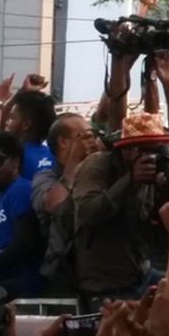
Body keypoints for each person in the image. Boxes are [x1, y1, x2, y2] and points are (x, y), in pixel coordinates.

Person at [73, 112, 169, 312]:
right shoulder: (97, 165)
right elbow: (87, 214)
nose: (152, 158)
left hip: (140, 273)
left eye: (157, 151)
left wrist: (166, 191)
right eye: (146, 151)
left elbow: (162, 229)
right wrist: (130, 180)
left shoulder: (151, 171)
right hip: (105, 283)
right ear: (127, 150)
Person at [31, 113, 101, 295]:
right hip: (64, 276)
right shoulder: (45, 177)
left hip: (101, 272)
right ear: (63, 142)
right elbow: (53, 203)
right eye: (86, 136)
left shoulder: (98, 170)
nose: (92, 140)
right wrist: (74, 162)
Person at [0, 131, 43, 296]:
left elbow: (26, 244)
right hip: (0, 291)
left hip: (24, 290)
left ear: (15, 161)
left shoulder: (20, 189)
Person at [4, 91, 56, 180]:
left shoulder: (11, 158)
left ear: (26, 124)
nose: (7, 122)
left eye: (12, 118)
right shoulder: (54, 155)